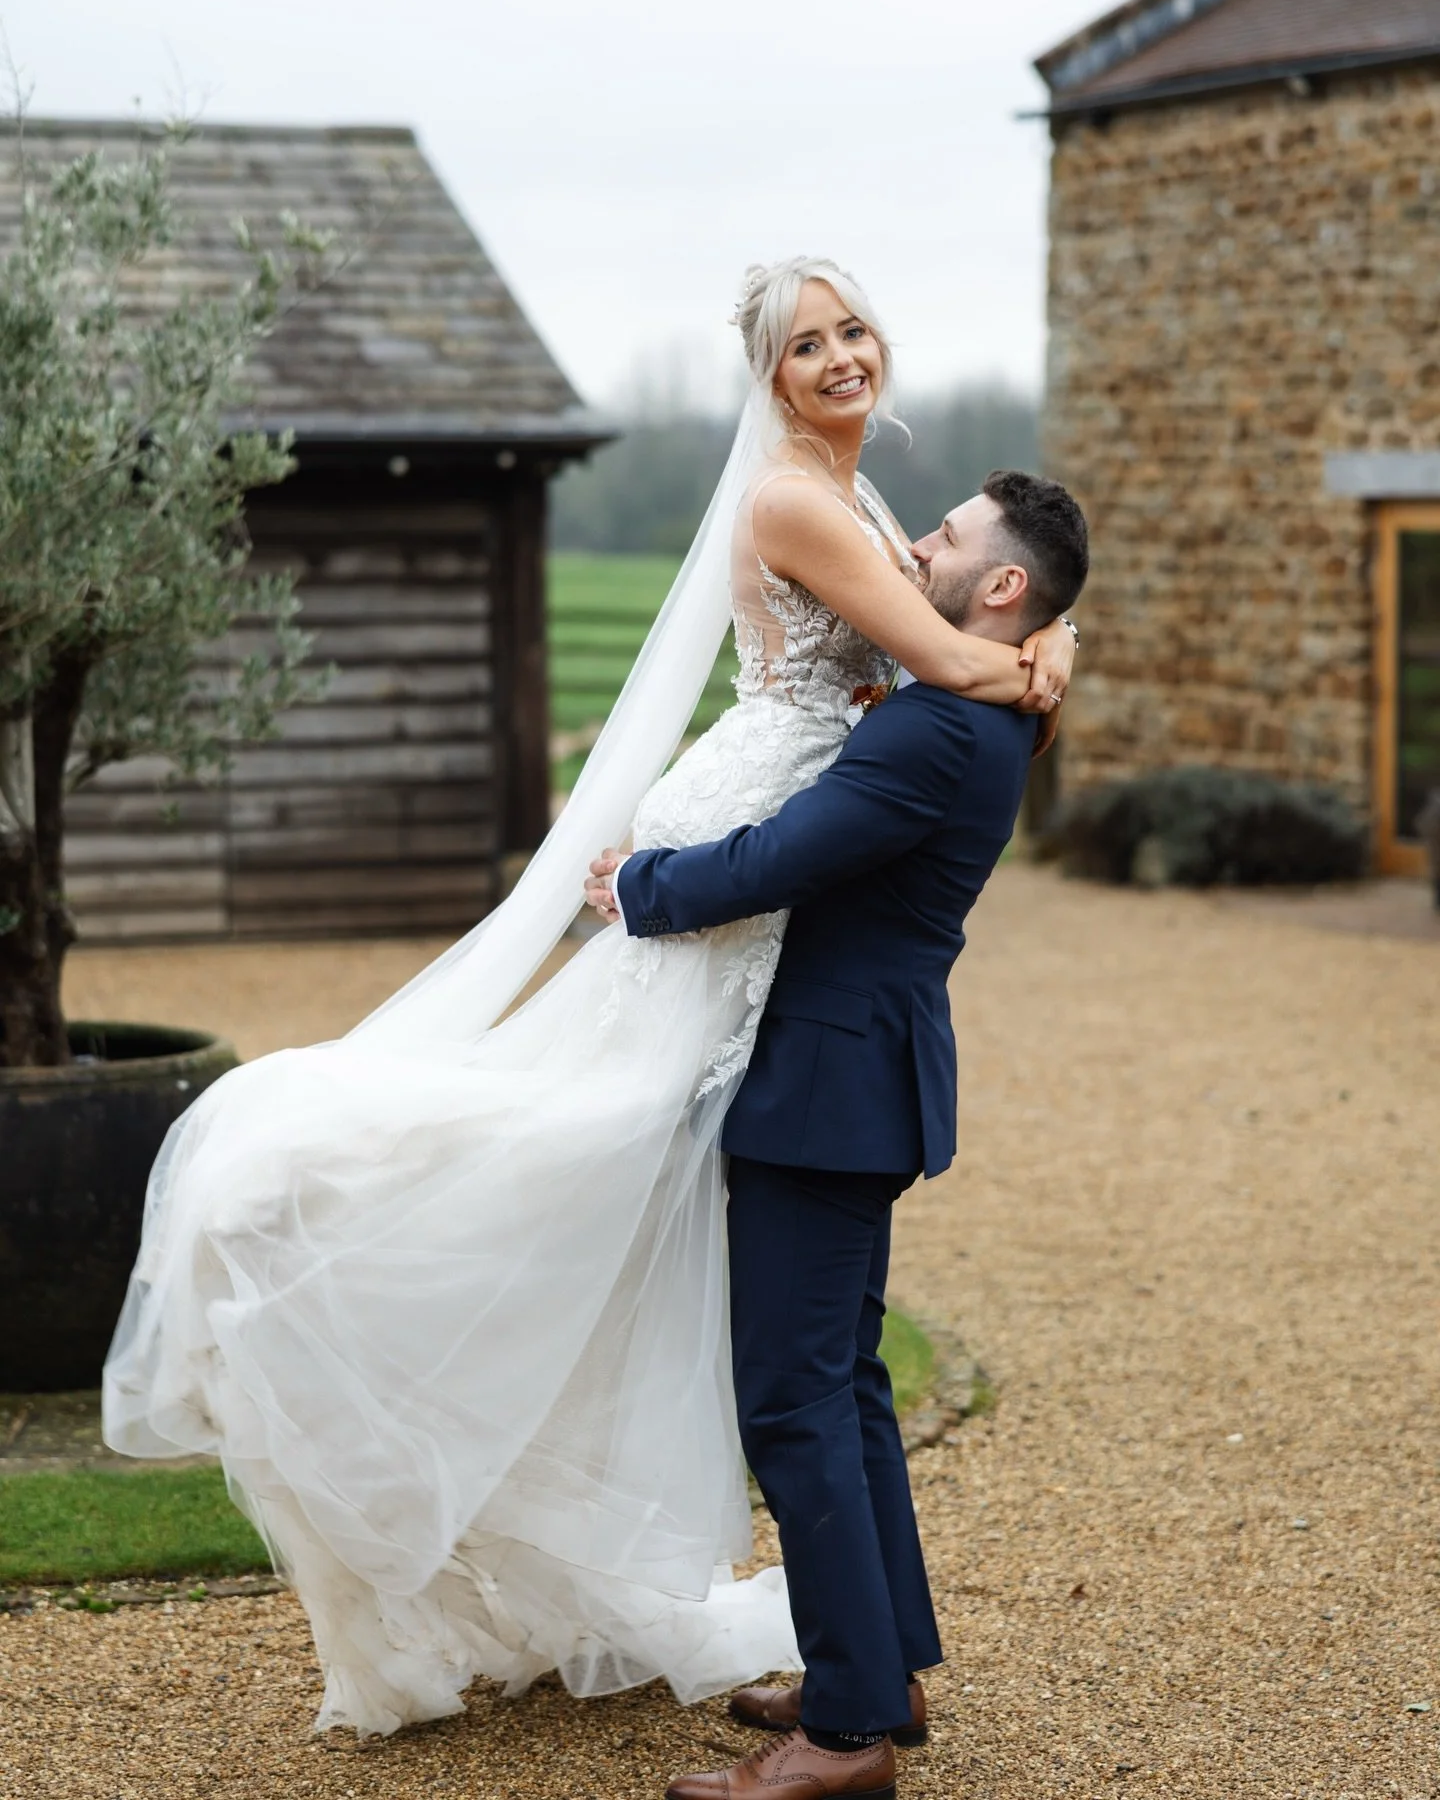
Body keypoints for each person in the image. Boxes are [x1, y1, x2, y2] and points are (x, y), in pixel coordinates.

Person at [102, 258, 1078, 1738]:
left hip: (806, 958)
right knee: (614, 1173)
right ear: (764, 374)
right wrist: (1038, 646)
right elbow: (950, 648)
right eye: (804, 342)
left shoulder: (880, 531)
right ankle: (868, 1677)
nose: (837, 356)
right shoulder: (809, 506)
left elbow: (959, 636)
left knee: (778, 1352)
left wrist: (1044, 631)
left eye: (852, 327)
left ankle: (863, 1703)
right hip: (763, 860)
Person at [586, 470, 1089, 1799]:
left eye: (945, 535)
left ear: (1000, 590)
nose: (912, 543)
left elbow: (782, 859)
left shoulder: (935, 733)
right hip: (857, 1079)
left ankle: (847, 1736)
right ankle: (882, 1665)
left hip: (825, 1089)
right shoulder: (979, 713)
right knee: (847, 1388)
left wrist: (639, 885)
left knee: (793, 1400)